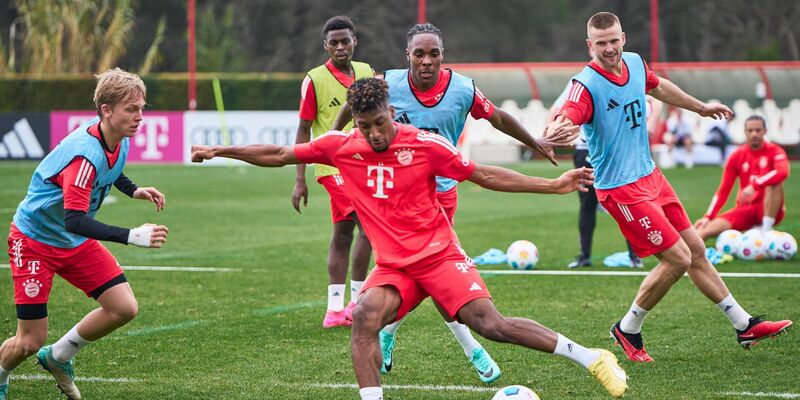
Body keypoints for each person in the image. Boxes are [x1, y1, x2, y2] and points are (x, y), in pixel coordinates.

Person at [191, 77, 628, 399]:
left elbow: (485, 174)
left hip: (440, 257)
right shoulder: (343, 145)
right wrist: (219, 151)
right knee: (363, 316)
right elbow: (282, 154)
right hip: (395, 266)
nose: (374, 134)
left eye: (379, 123)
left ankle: (590, 357)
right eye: (365, 126)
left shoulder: (426, 145)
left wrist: (551, 186)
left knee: (490, 325)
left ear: (390, 111)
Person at [333, 23, 577, 384]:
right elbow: (357, 102)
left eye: (434, 54)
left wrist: (534, 142)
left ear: (443, 56)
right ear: (408, 56)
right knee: (436, 279)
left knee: (438, 279)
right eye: (419, 53)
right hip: (399, 195)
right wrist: (340, 141)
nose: (427, 61)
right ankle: (469, 349)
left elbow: (498, 118)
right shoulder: (389, 83)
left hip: (442, 194)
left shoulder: (463, 88)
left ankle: (396, 335)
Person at [547, 12, 792, 363]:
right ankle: (627, 328)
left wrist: (701, 107)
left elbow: (658, 86)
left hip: (652, 177)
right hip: (621, 189)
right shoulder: (585, 84)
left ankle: (744, 325)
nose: (609, 48)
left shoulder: (634, 62)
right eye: (601, 43)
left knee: (695, 250)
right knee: (677, 258)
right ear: (589, 45)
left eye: (614, 40)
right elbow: (569, 112)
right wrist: (560, 125)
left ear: (624, 38)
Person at [0, 68, 169, 400]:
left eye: (141, 109)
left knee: (123, 307)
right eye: (131, 109)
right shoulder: (84, 155)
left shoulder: (116, 138)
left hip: (71, 242)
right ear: (107, 110)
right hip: (34, 242)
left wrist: (134, 190)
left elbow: (114, 169)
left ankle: (59, 355)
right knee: (29, 340)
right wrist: (132, 235)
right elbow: (74, 220)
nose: (139, 118)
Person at [293, 16, 375, 328]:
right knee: (368, 226)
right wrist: (300, 179)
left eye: (345, 41)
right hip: (333, 166)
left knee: (343, 234)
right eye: (334, 43)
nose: (340, 47)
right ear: (325, 46)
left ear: (355, 41)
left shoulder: (367, 72)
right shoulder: (314, 79)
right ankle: (356, 303)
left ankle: (334, 310)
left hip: (365, 165)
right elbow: (302, 129)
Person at [548, 80, 642, 269]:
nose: (607, 49)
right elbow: (557, 109)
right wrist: (550, 137)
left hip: (617, 149)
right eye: (599, 47)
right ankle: (585, 256)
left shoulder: (627, 76)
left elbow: (650, 99)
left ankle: (635, 255)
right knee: (587, 202)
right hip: (587, 149)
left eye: (611, 46)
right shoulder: (582, 80)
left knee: (625, 200)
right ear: (591, 48)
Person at [694, 115, 788, 240]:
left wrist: (755, 185)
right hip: (746, 208)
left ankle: (766, 233)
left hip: (770, 209)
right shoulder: (737, 155)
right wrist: (708, 216)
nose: (754, 134)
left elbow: (782, 172)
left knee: (774, 184)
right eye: (750, 130)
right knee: (703, 229)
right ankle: (686, 257)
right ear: (745, 132)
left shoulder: (775, 151)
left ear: (765, 131)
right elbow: (724, 190)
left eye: (758, 130)